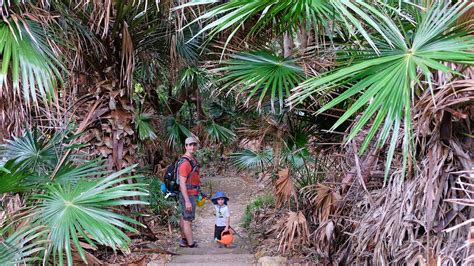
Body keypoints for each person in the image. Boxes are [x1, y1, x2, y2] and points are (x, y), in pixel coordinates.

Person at [178, 136, 201, 248]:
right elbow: (182, 182)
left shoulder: (192, 160)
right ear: (186, 146)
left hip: (192, 192)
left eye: (194, 145)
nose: (192, 147)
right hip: (188, 194)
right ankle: (191, 244)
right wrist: (187, 200)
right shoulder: (185, 163)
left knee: (184, 217)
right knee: (188, 220)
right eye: (190, 145)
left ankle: (183, 240)